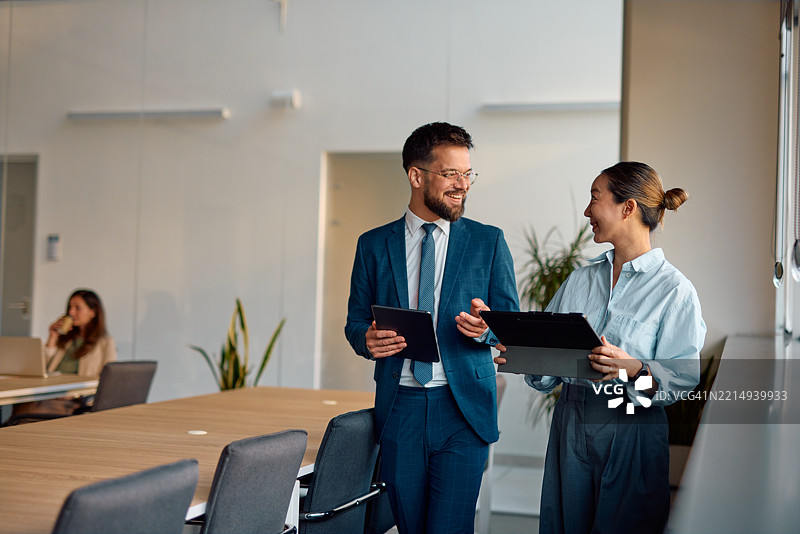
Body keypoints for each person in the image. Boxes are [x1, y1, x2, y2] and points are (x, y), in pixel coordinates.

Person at [490, 162, 706, 534]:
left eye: (595, 198)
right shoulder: (580, 279)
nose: (587, 211)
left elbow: (682, 381)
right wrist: (516, 345)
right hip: (571, 420)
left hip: (632, 425)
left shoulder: (674, 291)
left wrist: (635, 368)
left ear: (628, 207)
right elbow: (543, 368)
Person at [345, 122, 519, 534]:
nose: (463, 185)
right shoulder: (373, 244)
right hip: (399, 408)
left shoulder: (488, 242)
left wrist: (487, 330)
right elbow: (355, 321)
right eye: (451, 174)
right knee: (409, 527)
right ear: (416, 175)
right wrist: (366, 340)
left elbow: (509, 325)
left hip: (463, 411)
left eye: (467, 174)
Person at [15, 289, 117, 417]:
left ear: (92, 312)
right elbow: (42, 368)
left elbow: (108, 380)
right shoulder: (66, 338)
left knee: (29, 412)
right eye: (70, 307)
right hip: (49, 392)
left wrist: (77, 394)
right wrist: (52, 337)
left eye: (77, 308)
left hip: (73, 400)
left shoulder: (105, 342)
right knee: (20, 406)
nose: (71, 312)